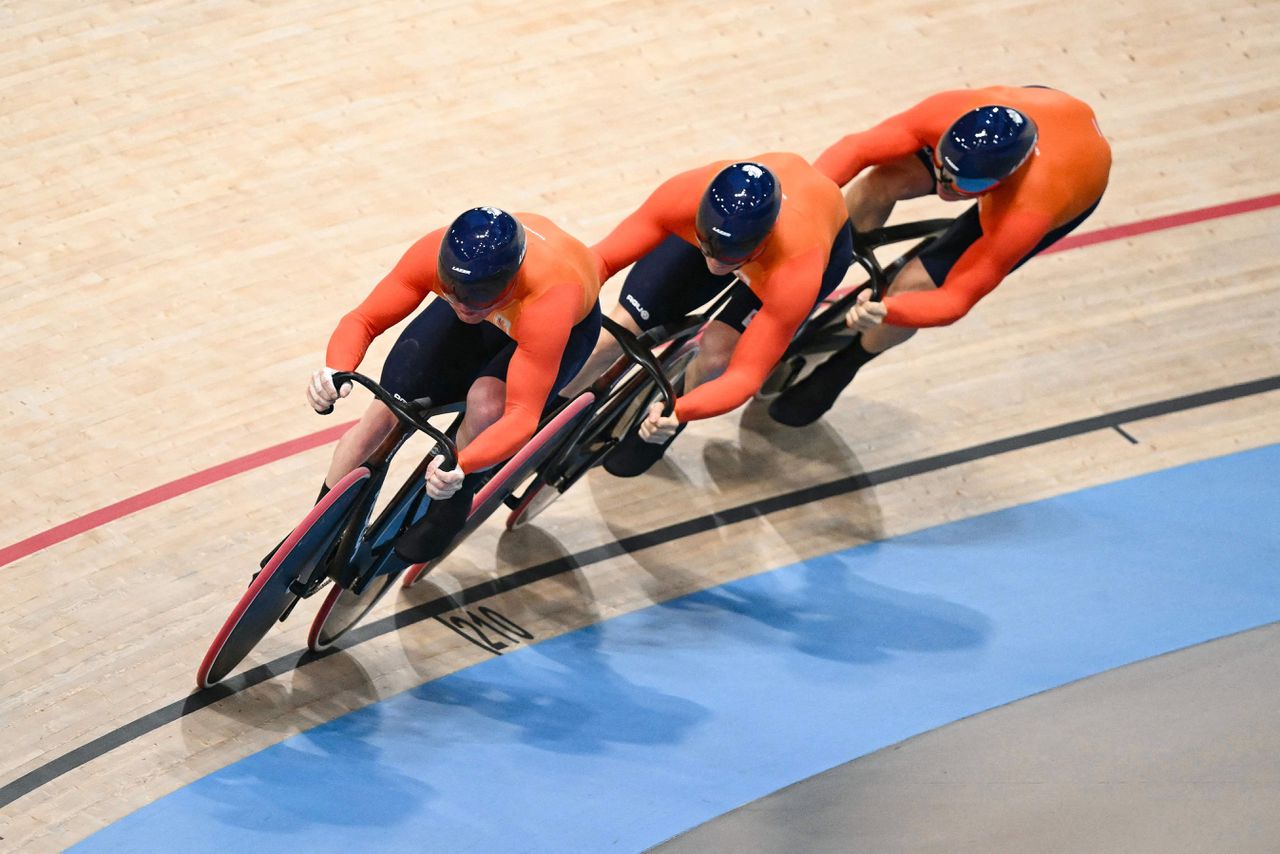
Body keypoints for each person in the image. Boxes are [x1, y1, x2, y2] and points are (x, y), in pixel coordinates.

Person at [767, 85, 1112, 426]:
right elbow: (854, 150)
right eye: (941, 168)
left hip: (1068, 181)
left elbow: (956, 300)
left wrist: (890, 309)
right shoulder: (946, 112)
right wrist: (803, 206)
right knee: (880, 183)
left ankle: (845, 364)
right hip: (1037, 111)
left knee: (916, 286)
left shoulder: (1028, 209)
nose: (947, 187)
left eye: (966, 185)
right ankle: (817, 277)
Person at [304, 206, 603, 563]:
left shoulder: (549, 299)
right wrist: (335, 371)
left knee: (488, 404)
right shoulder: (441, 264)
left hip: (553, 325)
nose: (464, 306)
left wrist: (464, 465)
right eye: (453, 291)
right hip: (498, 302)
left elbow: (522, 415)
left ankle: (452, 507)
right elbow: (363, 320)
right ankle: (311, 539)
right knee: (384, 413)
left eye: (477, 298)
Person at [561, 155, 855, 476]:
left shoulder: (796, 269)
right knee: (617, 331)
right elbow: (599, 261)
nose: (715, 265)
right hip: (733, 238)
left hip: (793, 255)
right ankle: (551, 412)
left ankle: (678, 400)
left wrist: (681, 411)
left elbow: (744, 377)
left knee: (717, 354)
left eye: (729, 257)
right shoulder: (683, 195)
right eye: (707, 246)